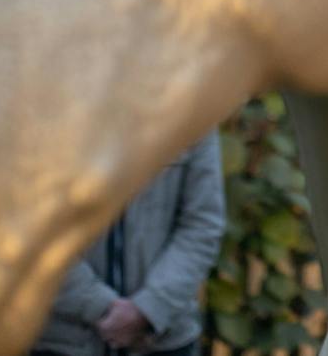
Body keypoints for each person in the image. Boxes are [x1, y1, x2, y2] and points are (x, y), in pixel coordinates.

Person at [30, 131, 225, 356]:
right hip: (64, 341)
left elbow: (202, 225)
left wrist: (150, 307)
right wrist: (96, 305)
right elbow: (30, 231)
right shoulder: (45, 113)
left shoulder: (193, 109)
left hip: (164, 342)